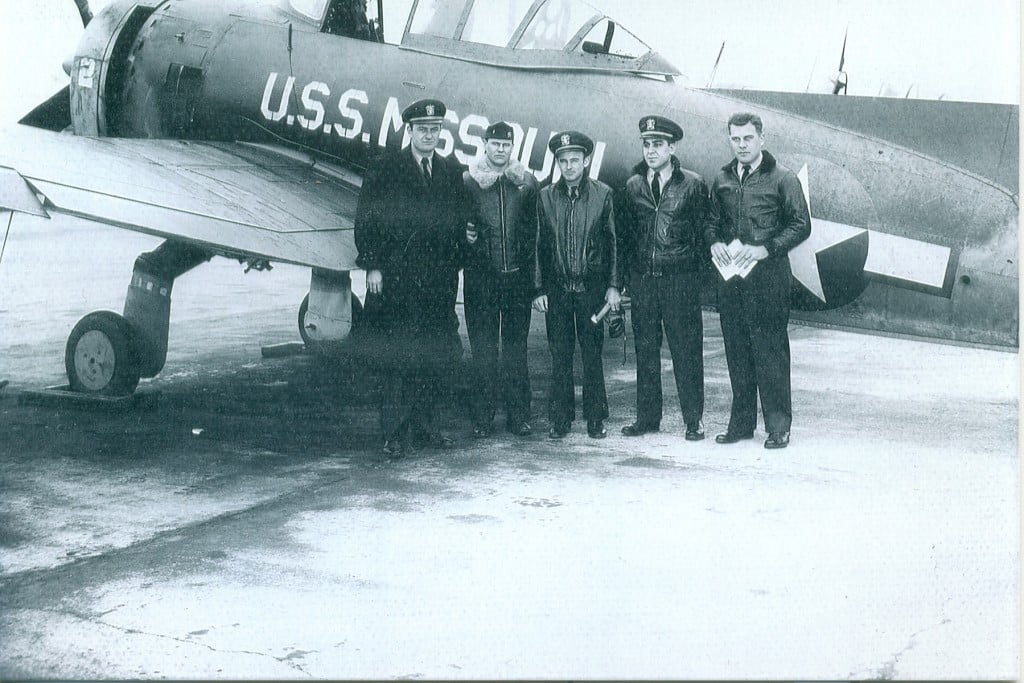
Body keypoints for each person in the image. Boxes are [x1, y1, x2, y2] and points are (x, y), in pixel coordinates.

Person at [354, 98, 468, 457]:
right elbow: (367, 218)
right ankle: (393, 434)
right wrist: (372, 264)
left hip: (437, 283)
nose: (430, 135)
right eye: (423, 129)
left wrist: (462, 248)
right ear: (411, 131)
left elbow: (458, 221)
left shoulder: (449, 170)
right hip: (400, 281)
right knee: (398, 358)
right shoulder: (386, 167)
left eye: (435, 130)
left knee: (433, 356)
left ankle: (427, 428)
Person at [703, 112, 811, 449]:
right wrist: (714, 242)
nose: (742, 145)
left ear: (761, 139)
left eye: (748, 138)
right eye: (735, 139)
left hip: (769, 280)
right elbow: (710, 221)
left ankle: (778, 426)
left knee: (771, 352)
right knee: (736, 351)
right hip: (732, 279)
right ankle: (741, 424)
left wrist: (768, 249)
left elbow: (801, 225)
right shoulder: (721, 178)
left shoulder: (783, 179)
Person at [619, 115, 708, 441]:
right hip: (644, 282)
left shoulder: (693, 185)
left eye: (658, 144)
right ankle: (647, 419)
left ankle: (693, 420)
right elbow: (625, 238)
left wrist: (694, 280)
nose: (651, 151)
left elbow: (703, 236)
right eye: (646, 144)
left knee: (686, 351)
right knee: (646, 352)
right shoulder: (633, 186)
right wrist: (626, 279)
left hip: (679, 281)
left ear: (672, 147)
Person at [533, 131, 621, 440]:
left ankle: (595, 417)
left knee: (592, 354)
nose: (569, 166)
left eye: (575, 160)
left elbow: (613, 244)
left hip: (591, 290)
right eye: (563, 161)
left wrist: (613, 286)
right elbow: (538, 245)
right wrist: (539, 288)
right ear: (557, 162)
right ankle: (560, 418)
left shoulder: (603, 194)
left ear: (586, 161)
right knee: (560, 354)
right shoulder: (545, 196)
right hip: (557, 291)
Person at [463, 121, 539, 439]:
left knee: (515, 351)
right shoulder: (468, 181)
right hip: (481, 282)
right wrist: (465, 238)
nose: (500, 150)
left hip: (516, 282)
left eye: (505, 145)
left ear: (512, 148)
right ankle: (482, 418)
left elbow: (534, 232)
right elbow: (458, 226)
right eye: (495, 144)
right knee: (483, 352)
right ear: (484, 144)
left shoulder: (526, 183)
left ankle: (519, 416)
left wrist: (534, 283)